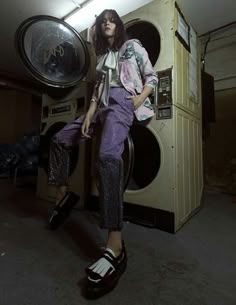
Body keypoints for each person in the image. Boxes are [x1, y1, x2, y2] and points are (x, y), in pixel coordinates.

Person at [47, 9, 158, 298]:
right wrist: (89, 114)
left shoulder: (132, 47)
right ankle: (62, 196)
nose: (107, 23)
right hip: (100, 107)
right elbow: (98, 91)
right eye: (102, 21)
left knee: (108, 158)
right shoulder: (101, 60)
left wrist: (138, 99)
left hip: (122, 102)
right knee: (59, 139)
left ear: (118, 26)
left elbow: (152, 76)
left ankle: (115, 246)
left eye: (111, 20)